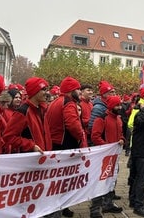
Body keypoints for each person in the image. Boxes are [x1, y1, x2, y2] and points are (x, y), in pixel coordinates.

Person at [44, 76, 86, 218]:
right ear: (70, 90)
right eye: (77, 89)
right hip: (64, 146)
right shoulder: (68, 102)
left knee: (58, 181)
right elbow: (72, 124)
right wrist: (81, 136)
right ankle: (55, 212)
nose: (80, 91)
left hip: (55, 145)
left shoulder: (57, 101)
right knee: (61, 181)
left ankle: (62, 209)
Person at [89, 95, 125, 218]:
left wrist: (121, 139)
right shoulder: (101, 118)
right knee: (100, 183)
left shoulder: (118, 119)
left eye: (120, 105)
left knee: (111, 181)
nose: (119, 107)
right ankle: (95, 210)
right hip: (103, 157)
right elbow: (95, 136)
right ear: (110, 106)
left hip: (114, 157)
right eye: (117, 105)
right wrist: (107, 147)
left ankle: (108, 204)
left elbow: (121, 134)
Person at [2, 77, 51, 154]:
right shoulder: (22, 112)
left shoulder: (43, 110)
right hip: (29, 160)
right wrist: (31, 146)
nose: (47, 93)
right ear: (35, 92)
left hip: (43, 159)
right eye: (43, 89)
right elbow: (9, 137)